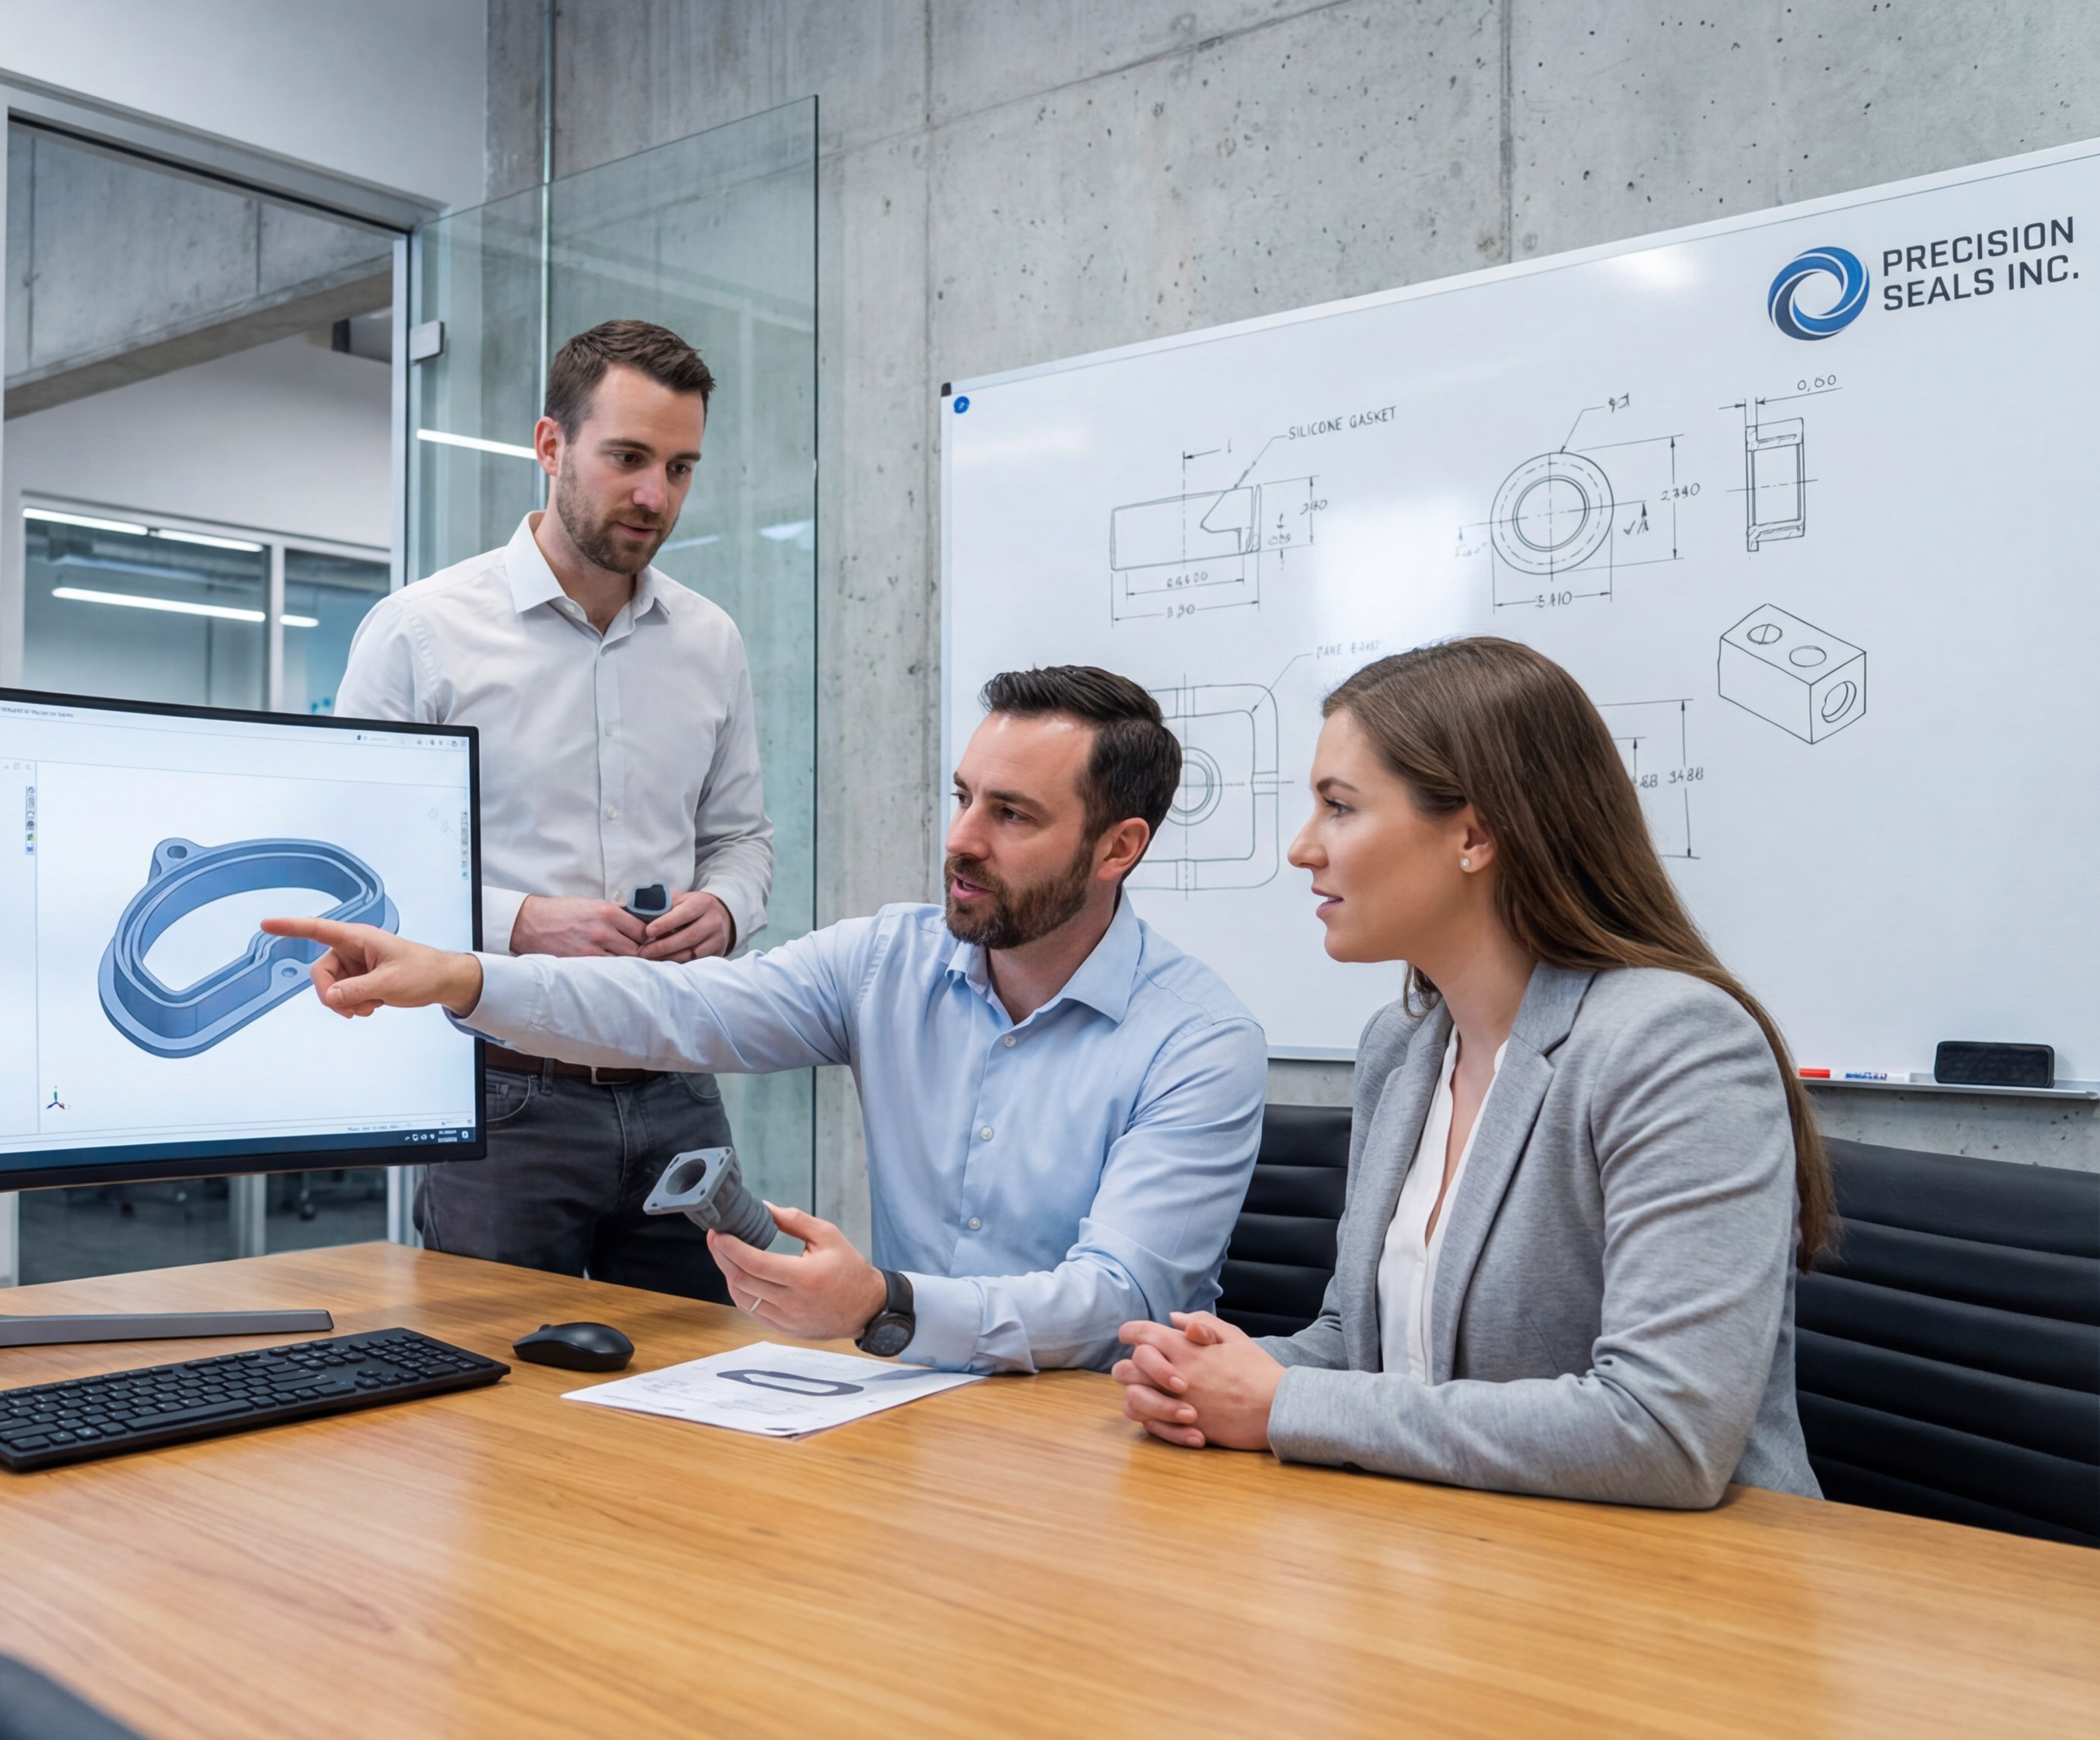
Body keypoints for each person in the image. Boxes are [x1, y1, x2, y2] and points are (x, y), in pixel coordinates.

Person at [269, 667, 1267, 1373]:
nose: (961, 839)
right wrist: (461, 975)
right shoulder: (890, 959)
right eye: (963, 797)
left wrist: (885, 1304)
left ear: (1117, 847)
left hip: (1101, 1434)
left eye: (1013, 815)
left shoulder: (1197, 1042)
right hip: (907, 1400)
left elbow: (1117, 1299)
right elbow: (675, 1008)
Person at [1111, 637, 1828, 1508]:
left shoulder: (1674, 1044)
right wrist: (1217, 1375)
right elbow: (1360, 1347)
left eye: (1339, 807)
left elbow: (1662, 1433)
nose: (1303, 849)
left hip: (1678, 1596)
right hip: (1458, 1562)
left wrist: (1283, 1403)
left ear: (1475, 833)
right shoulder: (1401, 1049)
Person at [336, 318, 771, 1302]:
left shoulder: (711, 641)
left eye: (681, 466)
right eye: (627, 457)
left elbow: (741, 836)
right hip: (504, 1090)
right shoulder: (421, 633)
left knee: (695, 1404)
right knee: (489, 1424)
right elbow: (357, 866)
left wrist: (731, 907)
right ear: (550, 446)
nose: (655, 495)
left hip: (676, 1070)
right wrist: (523, 923)